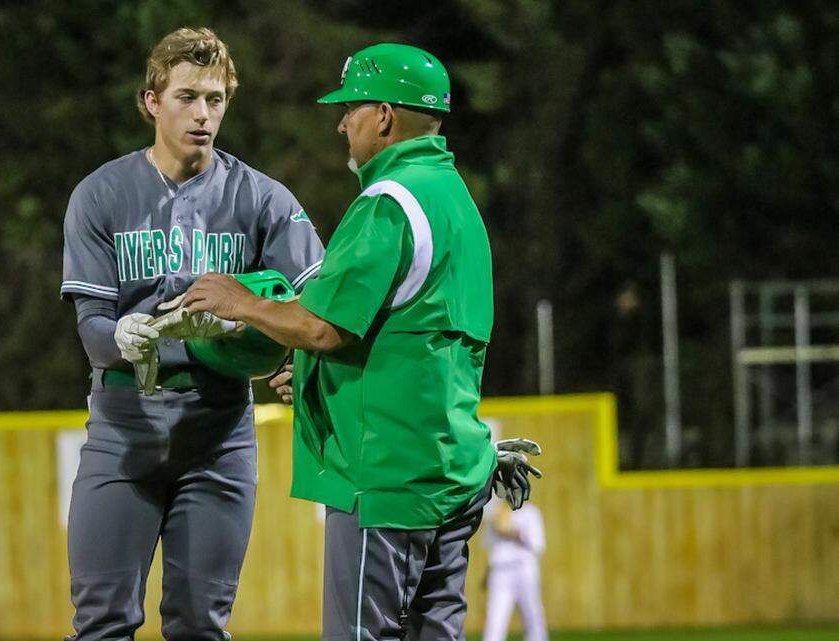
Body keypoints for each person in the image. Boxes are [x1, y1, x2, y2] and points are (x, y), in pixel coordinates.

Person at [179, 43, 539, 641]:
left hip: (388, 483)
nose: (342, 122)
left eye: (352, 107)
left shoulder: (388, 203)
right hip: (453, 471)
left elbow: (323, 327)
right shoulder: (455, 200)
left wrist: (239, 302)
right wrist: (322, 377)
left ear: (385, 117)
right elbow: (415, 335)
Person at [59, 27, 323, 641]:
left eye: (216, 98)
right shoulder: (100, 195)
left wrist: (299, 360)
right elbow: (92, 330)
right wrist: (121, 337)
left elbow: (319, 307)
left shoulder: (264, 199)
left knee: (200, 625)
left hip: (221, 427)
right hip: (125, 425)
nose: (203, 114)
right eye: (186, 97)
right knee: (101, 623)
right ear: (151, 101)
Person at [481, 501, 549, 641]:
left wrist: (511, 531)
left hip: (524, 568)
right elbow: (488, 544)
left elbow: (538, 545)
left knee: (533, 615)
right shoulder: (496, 512)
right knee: (495, 617)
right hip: (500, 571)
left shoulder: (530, 512)